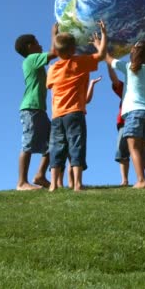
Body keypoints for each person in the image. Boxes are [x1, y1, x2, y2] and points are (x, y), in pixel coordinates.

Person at [46, 21, 107, 191]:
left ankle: (53, 185)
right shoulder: (79, 63)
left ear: (56, 51)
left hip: (57, 115)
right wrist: (103, 34)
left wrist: (54, 35)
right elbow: (101, 55)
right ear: (74, 50)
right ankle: (77, 184)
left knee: (57, 148)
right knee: (76, 146)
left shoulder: (52, 69)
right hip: (75, 113)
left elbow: (56, 52)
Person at [105, 40, 145, 189]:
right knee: (143, 148)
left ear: (136, 53)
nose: (131, 49)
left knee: (134, 148)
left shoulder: (129, 67)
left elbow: (108, 59)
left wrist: (101, 43)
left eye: (134, 48)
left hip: (133, 112)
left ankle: (141, 180)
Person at [14, 24, 58, 190]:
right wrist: (54, 34)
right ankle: (22, 182)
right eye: (37, 43)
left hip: (39, 109)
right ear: (29, 47)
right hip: (31, 108)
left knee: (53, 142)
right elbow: (54, 53)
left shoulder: (34, 61)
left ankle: (40, 175)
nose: (40, 45)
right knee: (28, 143)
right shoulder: (31, 59)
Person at [66, 76, 102, 188]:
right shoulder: (75, 85)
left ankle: (69, 183)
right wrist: (91, 83)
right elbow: (86, 100)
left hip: (59, 117)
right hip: (76, 116)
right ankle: (76, 184)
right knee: (76, 150)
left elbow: (86, 99)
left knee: (68, 153)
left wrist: (91, 83)